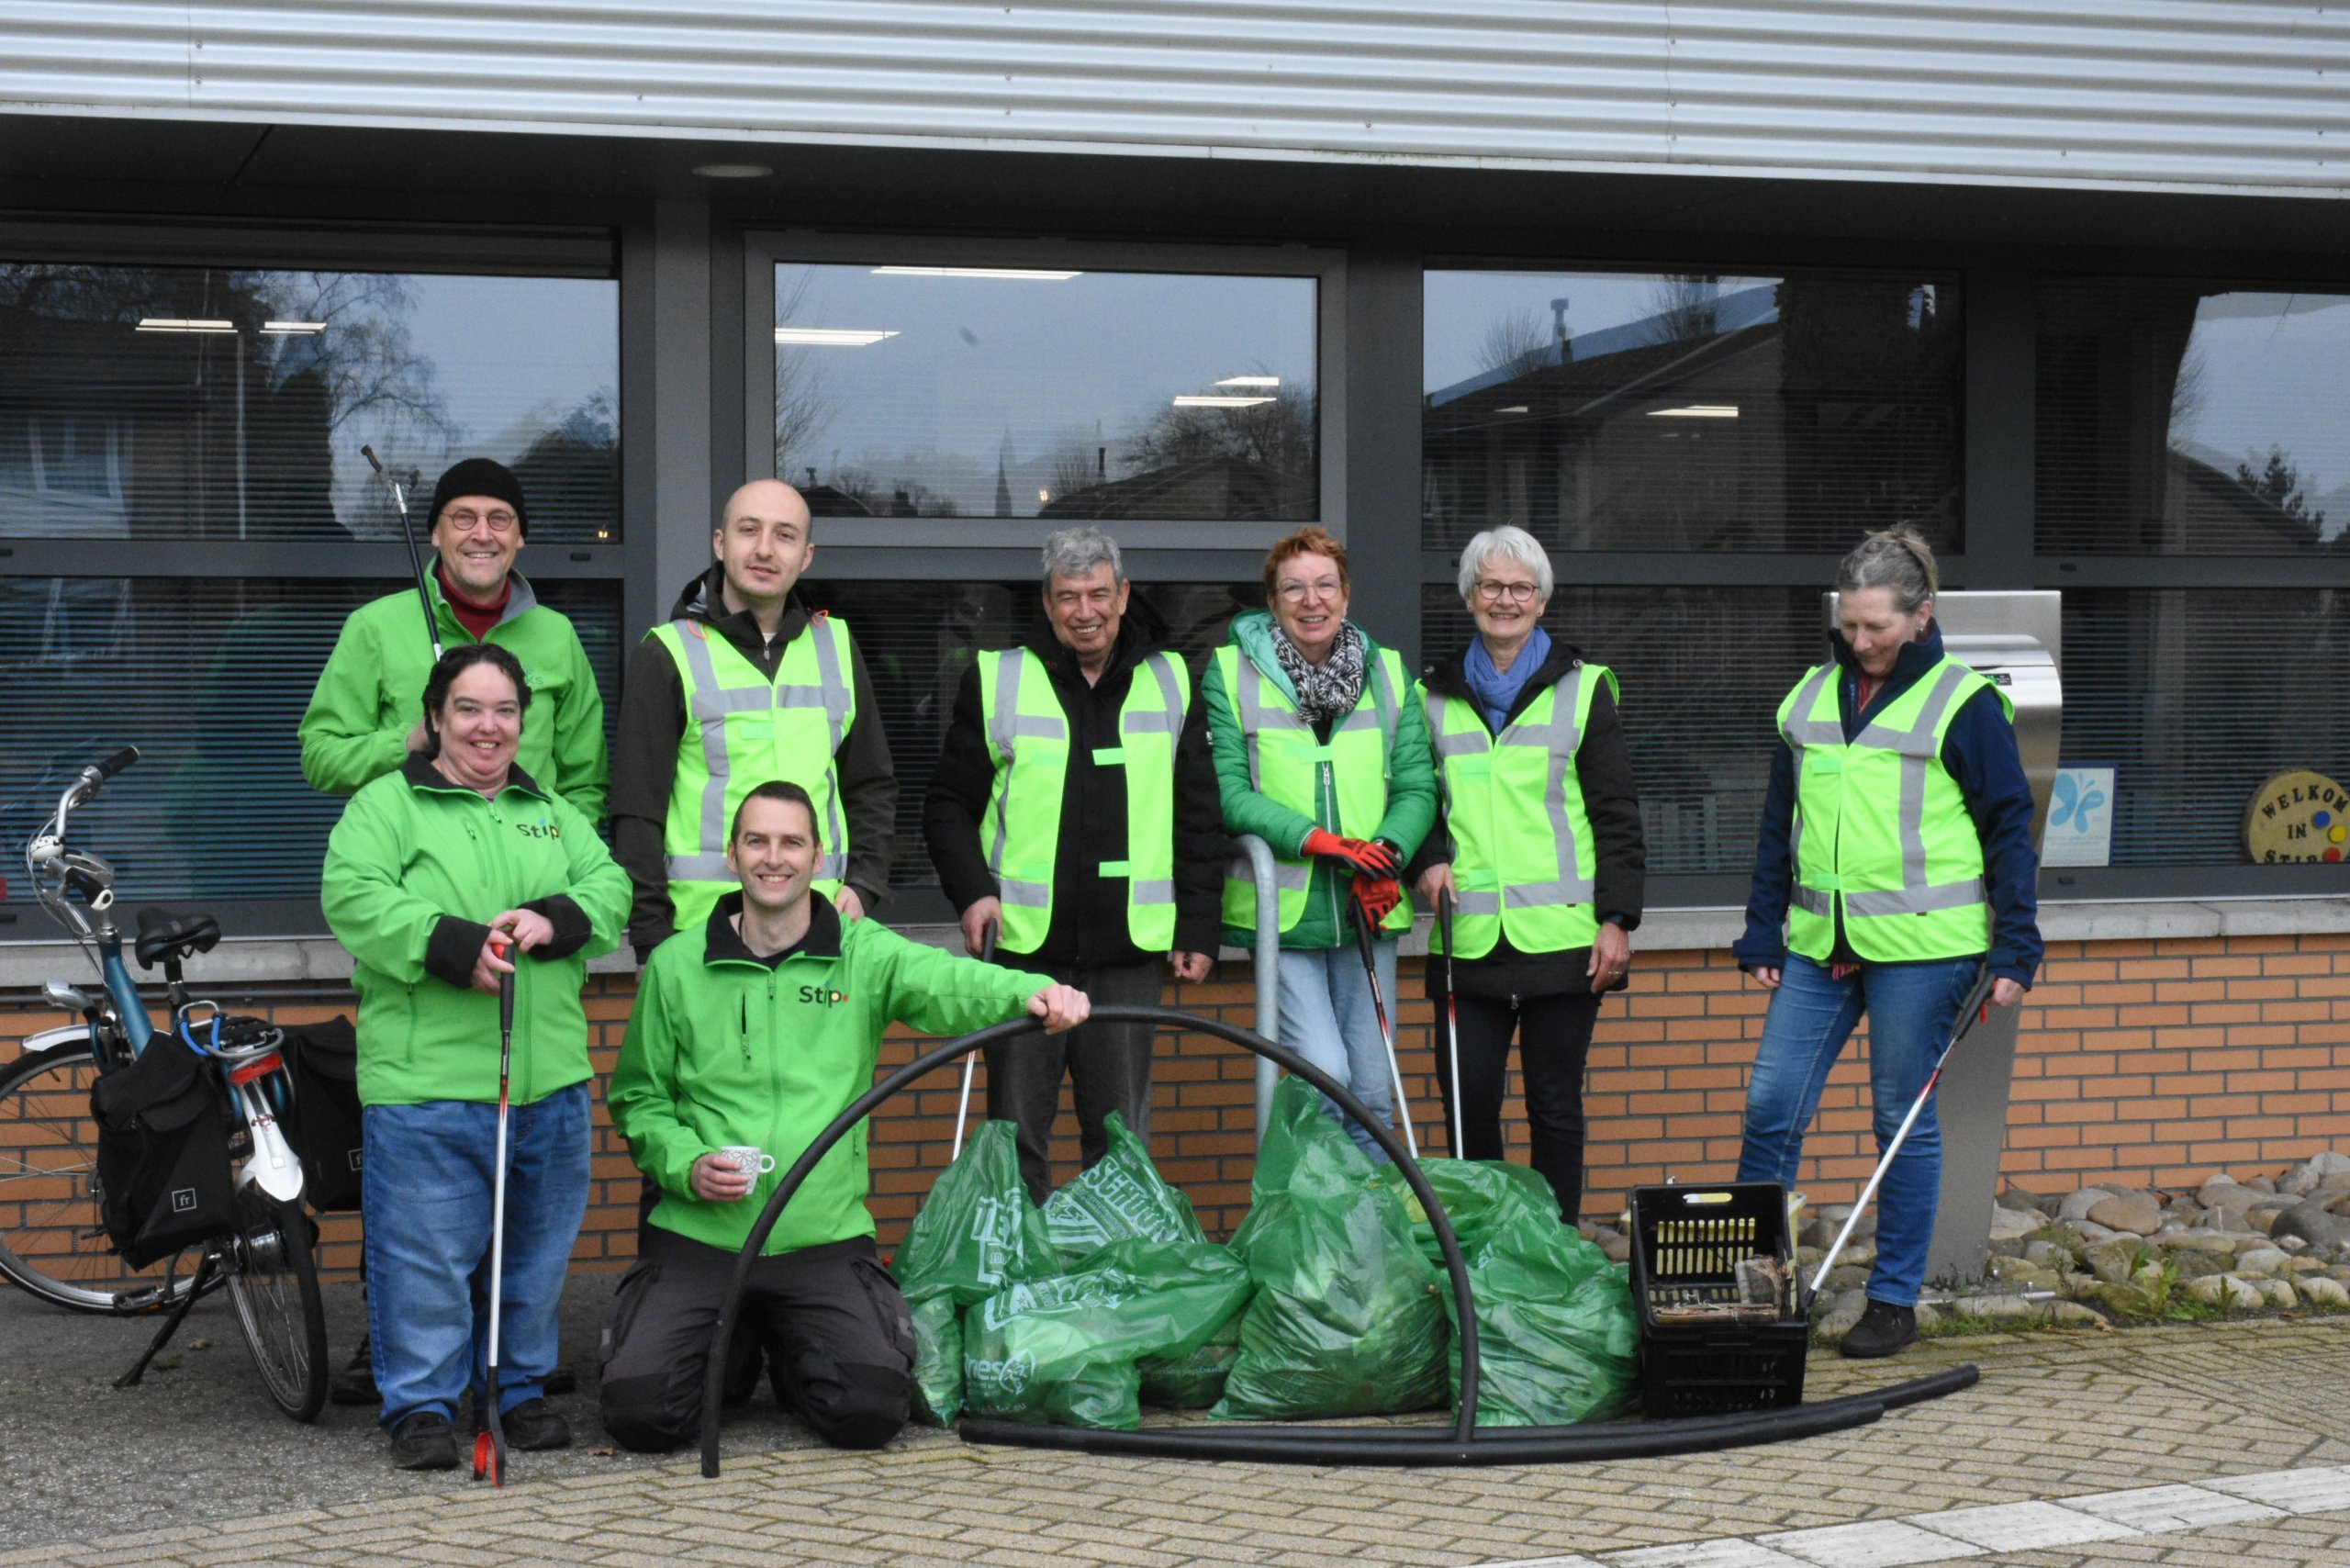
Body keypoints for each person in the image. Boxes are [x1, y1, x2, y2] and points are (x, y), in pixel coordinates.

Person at [599, 780, 1091, 1452]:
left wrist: (1036, 991)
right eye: (758, 841)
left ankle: (786, 1337)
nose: (775, 858)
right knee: (641, 1415)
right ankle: (736, 1339)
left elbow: (953, 983)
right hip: (700, 1238)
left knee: (868, 1412)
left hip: (821, 1239)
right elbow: (639, 1099)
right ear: (732, 853)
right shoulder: (678, 965)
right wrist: (685, 1165)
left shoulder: (862, 954)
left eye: (791, 842)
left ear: (819, 856)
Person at [1733, 527, 2042, 1360]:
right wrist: (1763, 926)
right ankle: (1755, 1289)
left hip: (1923, 948)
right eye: (1849, 625)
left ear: (1921, 615)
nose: (1859, 642)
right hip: (1818, 944)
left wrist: (2017, 947)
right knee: (1771, 1106)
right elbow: (1779, 827)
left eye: (1876, 627)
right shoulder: (1806, 697)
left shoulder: (1961, 703)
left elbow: (2009, 828)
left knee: (1898, 1120)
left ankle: (1894, 1299)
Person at [320, 644, 630, 1470]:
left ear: (523, 725)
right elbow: (353, 898)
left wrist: (554, 918)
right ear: (434, 720)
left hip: (550, 1081)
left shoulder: (553, 811)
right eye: (468, 709)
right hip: (428, 1085)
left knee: (533, 1256)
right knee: (423, 1258)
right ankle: (420, 1406)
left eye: (504, 711)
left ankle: (516, 1391)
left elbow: (610, 889)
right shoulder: (386, 807)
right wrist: (449, 944)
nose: (487, 727)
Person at [921, 527, 1224, 1204]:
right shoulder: (999, 677)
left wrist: (1199, 928)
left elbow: (1199, 816)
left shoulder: (1172, 678)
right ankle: (1018, 1278)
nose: (1083, 611)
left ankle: (1112, 1284)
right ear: (1048, 602)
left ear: (1123, 596)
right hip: (1025, 953)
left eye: (1097, 595)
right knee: (1015, 1136)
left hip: (1129, 953)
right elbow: (946, 805)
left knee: (1120, 1141)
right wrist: (973, 894)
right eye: (1068, 597)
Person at [1408, 525, 1645, 1224]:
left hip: (1563, 939)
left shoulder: (1586, 688)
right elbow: (1417, 800)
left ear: (1541, 601)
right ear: (1469, 596)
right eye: (1490, 585)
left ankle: (1551, 1246)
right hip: (1470, 939)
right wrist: (1426, 861)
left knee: (1554, 1105)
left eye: (1520, 588)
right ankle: (1484, 1251)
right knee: (1467, 1103)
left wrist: (1617, 920)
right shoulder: (1432, 694)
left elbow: (1617, 814)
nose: (1504, 600)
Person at [1200, 525, 1435, 1160]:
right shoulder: (1230, 672)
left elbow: (1417, 786)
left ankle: (1374, 1244)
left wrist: (1385, 851)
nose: (1312, 600)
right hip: (1285, 915)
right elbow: (1228, 793)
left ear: (1347, 594)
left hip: (1369, 906)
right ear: (1272, 603)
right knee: (1326, 1078)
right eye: (1294, 588)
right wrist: (1318, 841)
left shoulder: (1386, 673)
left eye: (1325, 585)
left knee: (1373, 1089)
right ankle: (1319, 1238)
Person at [610, 479, 896, 963]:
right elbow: (637, 812)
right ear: (720, 544)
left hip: (823, 929)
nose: (764, 549)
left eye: (784, 535)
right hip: (700, 938)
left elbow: (871, 784)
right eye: (749, 531)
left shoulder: (838, 645)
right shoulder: (667, 652)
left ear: (806, 556)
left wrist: (865, 883)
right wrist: (650, 941)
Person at [300, 456, 609, 821]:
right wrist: (408, 742)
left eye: (499, 518)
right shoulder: (375, 627)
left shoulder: (557, 635)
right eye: (463, 517)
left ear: (519, 536)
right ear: (436, 533)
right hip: (416, 865)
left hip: (531, 869)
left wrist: (561, 856)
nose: (482, 534)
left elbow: (586, 782)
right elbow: (321, 759)